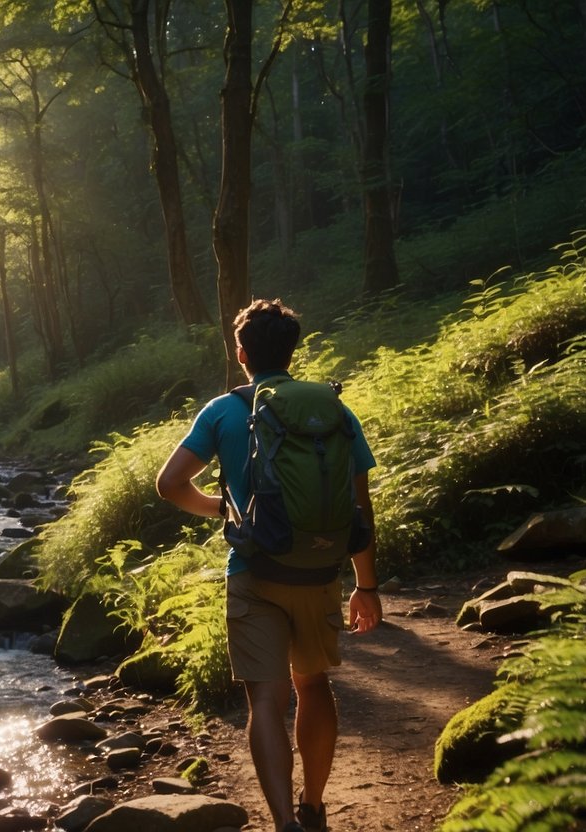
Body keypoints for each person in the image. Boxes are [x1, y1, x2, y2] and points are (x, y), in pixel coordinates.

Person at [155, 298, 382, 832]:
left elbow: (169, 485)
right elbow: (360, 504)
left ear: (241, 353)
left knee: (265, 697)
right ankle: (314, 806)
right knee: (313, 684)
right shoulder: (334, 410)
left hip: (254, 569)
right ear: (292, 349)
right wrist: (365, 585)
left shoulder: (223, 410)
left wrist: (221, 507)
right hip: (320, 570)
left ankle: (283, 823)